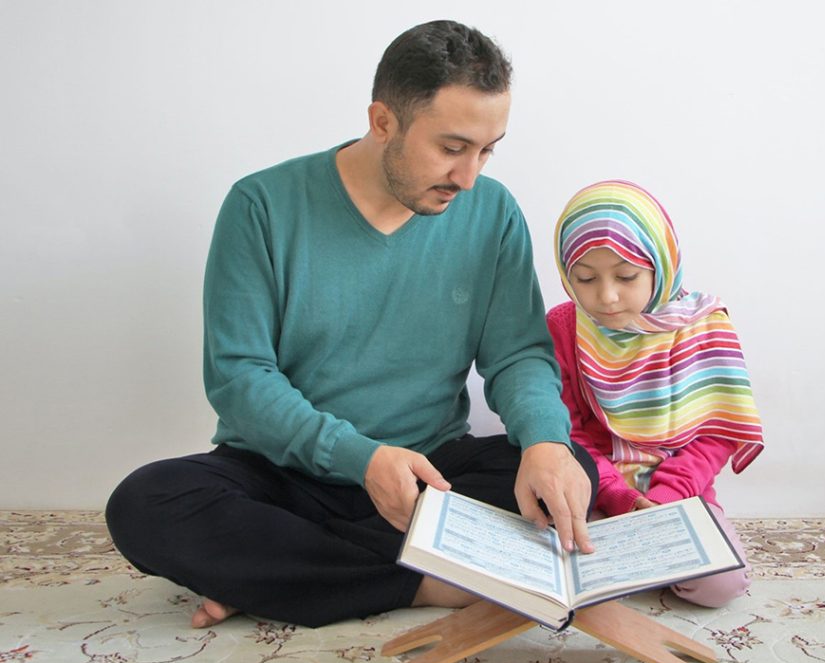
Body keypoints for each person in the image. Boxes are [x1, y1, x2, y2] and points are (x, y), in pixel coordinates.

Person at [105, 19, 597, 630]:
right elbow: (239, 379)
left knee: (569, 467)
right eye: (451, 148)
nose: (469, 177)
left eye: (487, 149)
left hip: (430, 473)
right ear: (383, 121)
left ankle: (278, 575)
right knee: (145, 503)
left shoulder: (492, 211)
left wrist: (546, 443)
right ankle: (421, 582)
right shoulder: (260, 206)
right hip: (282, 474)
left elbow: (517, 354)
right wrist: (361, 459)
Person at [546, 179, 764, 607]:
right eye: (585, 278)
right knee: (552, 564)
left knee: (721, 586)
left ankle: (643, 562)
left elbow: (717, 433)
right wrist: (618, 497)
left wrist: (665, 500)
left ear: (660, 264)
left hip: (681, 494)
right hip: (593, 487)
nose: (606, 296)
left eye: (626, 276)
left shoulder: (703, 325)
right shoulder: (564, 326)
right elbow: (566, 430)